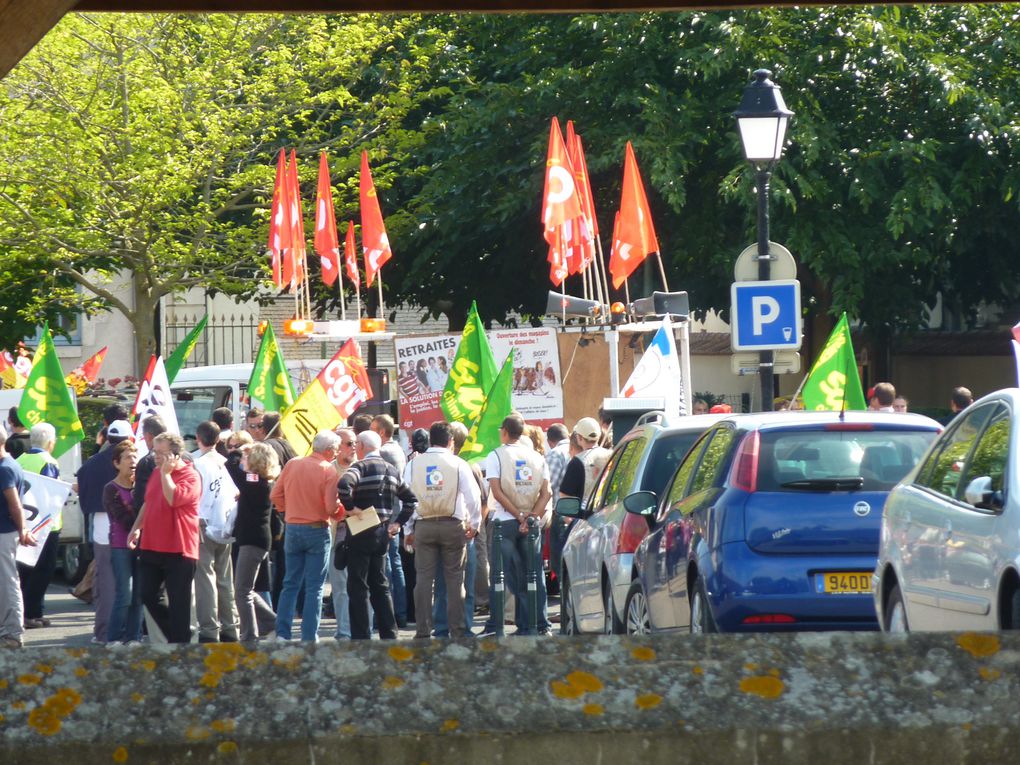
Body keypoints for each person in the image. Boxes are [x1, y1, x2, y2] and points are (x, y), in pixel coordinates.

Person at [338, 430, 418, 640]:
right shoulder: (391, 470)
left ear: (362, 447)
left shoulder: (359, 467)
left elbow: (343, 485)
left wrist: (352, 508)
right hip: (383, 532)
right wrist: (398, 523)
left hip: (361, 529)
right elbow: (411, 500)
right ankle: (389, 633)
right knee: (380, 584)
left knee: (358, 585)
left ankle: (362, 635)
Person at [404, 421, 480, 639]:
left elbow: (406, 500)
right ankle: (457, 630)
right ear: (451, 441)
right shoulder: (458, 464)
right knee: (455, 580)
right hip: (452, 525)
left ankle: (422, 631)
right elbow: (473, 498)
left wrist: (408, 529)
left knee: (424, 580)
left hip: (424, 525)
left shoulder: (413, 465)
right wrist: (474, 524)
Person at [479, 414, 552, 636]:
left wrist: (519, 516)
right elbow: (546, 493)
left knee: (505, 575)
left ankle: (502, 625)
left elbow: (497, 492)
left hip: (505, 522)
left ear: (504, 432)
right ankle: (538, 623)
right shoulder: (538, 457)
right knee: (535, 573)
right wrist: (531, 517)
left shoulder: (496, 456)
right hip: (531, 522)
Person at [270, 430, 345, 642]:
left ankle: (282, 633)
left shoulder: (293, 463)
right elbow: (331, 507)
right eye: (336, 449)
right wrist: (342, 512)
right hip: (317, 529)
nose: (337, 453)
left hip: (292, 527)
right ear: (329, 451)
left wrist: (287, 511)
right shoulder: (328, 470)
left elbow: (275, 494)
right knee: (315, 587)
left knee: (290, 583)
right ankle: (309, 635)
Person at [129, 432, 202, 644]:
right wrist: (136, 527)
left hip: (179, 548)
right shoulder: (154, 473)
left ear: (175, 454)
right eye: (155, 452)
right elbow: (148, 502)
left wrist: (167, 474)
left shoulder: (191, 476)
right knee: (147, 594)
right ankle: (178, 637)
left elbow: (173, 498)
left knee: (180, 603)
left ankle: (181, 645)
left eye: (161, 453)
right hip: (152, 545)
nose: (156, 457)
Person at [77, 418, 133, 643]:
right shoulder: (132, 462)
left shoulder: (91, 464)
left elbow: (84, 496)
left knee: (106, 581)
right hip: (130, 526)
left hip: (101, 527)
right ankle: (128, 632)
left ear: (107, 438)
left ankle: (104, 632)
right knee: (129, 581)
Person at [193, 421, 239, 643]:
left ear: (198, 439)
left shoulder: (198, 464)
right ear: (219, 439)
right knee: (224, 578)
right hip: (226, 523)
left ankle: (209, 629)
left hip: (204, 523)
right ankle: (231, 626)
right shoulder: (226, 462)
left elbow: (196, 496)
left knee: (205, 579)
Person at [232, 442, 280, 641]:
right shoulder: (262, 482)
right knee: (246, 588)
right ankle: (271, 621)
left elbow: (233, 471)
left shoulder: (255, 481)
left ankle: (249, 635)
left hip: (253, 540)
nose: (243, 461)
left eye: (247, 458)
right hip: (256, 539)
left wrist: (236, 452)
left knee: (242, 590)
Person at [16, 423, 62, 630]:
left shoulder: (20, 460)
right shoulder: (49, 462)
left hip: (25, 522)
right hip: (46, 526)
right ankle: (33, 614)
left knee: (25, 570)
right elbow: (51, 492)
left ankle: (28, 612)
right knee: (43, 571)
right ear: (50, 442)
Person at [102, 440, 143, 644]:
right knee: (124, 594)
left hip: (142, 546)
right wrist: (140, 513)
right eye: (128, 457)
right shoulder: (111, 489)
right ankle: (114, 638)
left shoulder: (140, 487)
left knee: (138, 596)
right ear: (117, 463)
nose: (133, 461)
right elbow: (124, 520)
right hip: (121, 546)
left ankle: (134, 636)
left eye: (135, 457)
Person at [371, 414, 409, 627]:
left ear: (382, 433)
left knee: (388, 566)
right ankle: (399, 613)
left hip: (387, 516)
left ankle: (391, 614)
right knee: (394, 564)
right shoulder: (397, 449)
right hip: (394, 514)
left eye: (372, 429)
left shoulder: (384, 452)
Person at [0, 427, 35, 648]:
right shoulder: (10, 465)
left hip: (4, 532)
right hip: (6, 531)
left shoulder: (4, 469)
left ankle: (12, 633)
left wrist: (22, 529)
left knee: (7, 581)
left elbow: (15, 504)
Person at [328, 427, 357, 640]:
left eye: (355, 443)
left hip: (362, 529)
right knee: (340, 585)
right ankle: (344, 630)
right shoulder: (328, 471)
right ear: (338, 448)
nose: (353, 447)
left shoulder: (363, 467)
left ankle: (364, 627)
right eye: (348, 444)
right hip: (338, 530)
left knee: (363, 582)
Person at [558, 417, 611, 510]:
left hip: (585, 518)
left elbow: (565, 498)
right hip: (610, 515)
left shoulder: (577, 462)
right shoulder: (612, 455)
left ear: (579, 437)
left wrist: (571, 522)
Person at [544, 423, 571, 582]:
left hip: (561, 512)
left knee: (559, 557)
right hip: (578, 512)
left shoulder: (555, 454)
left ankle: (564, 591)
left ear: (550, 441)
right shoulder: (577, 450)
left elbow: (550, 484)